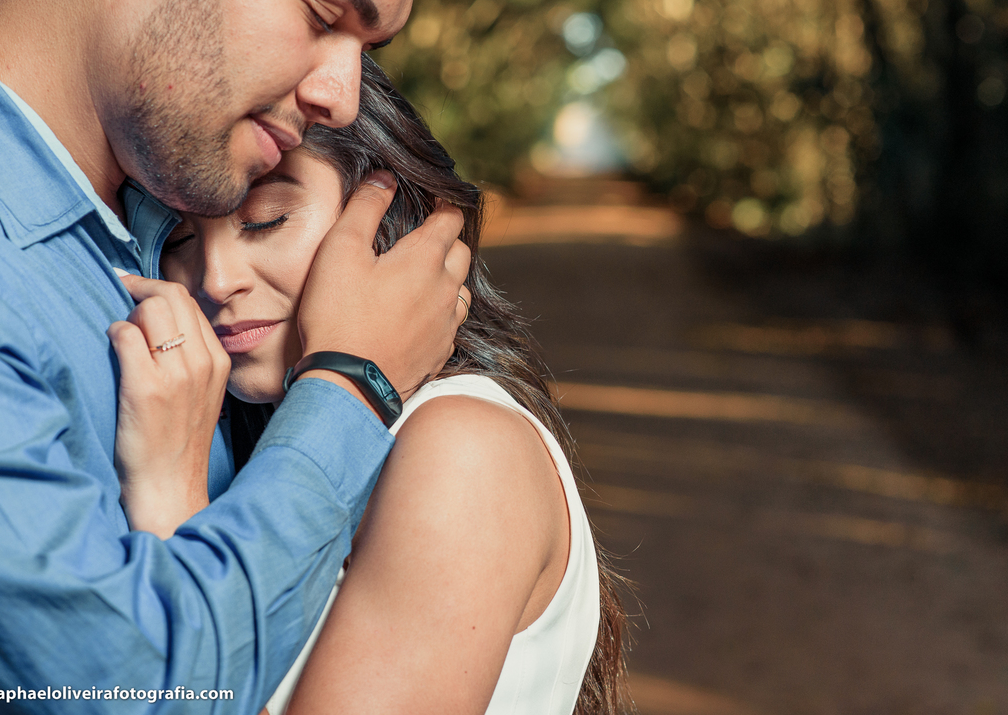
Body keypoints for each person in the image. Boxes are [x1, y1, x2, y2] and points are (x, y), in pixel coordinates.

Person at [0, 0, 470, 710]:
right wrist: (352, 386)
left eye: (366, 50)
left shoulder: (152, 206)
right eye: (321, 14)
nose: (341, 99)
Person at [114, 55, 631, 715]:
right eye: (180, 237)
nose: (215, 278)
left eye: (266, 219)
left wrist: (169, 505)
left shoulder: (464, 449)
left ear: (393, 229)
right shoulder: (273, 444)